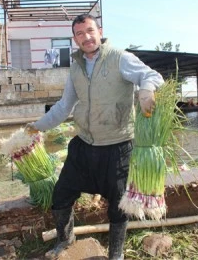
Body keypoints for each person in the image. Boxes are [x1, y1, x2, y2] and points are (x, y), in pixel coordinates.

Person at [26, 13, 164, 260]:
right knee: (61, 195)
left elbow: (151, 75)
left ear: (99, 31)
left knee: (118, 206)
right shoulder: (76, 66)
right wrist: (37, 126)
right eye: (80, 34)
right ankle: (65, 240)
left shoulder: (119, 58)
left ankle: (116, 253)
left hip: (117, 146)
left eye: (90, 31)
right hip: (84, 145)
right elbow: (63, 106)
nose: (86, 37)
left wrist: (146, 89)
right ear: (75, 39)